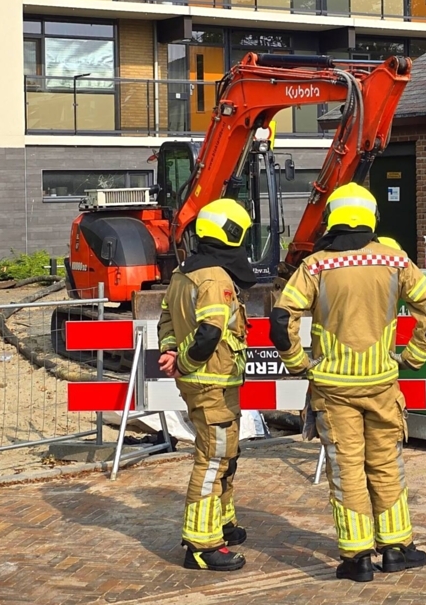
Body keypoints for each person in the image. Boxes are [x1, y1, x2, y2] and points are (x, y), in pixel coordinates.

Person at [270, 183, 426, 582]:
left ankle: (358, 558)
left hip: (333, 388)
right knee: (386, 465)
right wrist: (413, 357)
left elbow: (281, 322)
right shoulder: (396, 260)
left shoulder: (314, 266)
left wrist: (299, 364)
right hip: (382, 383)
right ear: (371, 217)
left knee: (347, 469)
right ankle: (397, 548)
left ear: (333, 217)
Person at [157, 198, 257, 572]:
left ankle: (223, 523)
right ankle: (201, 545)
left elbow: (166, 320)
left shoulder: (184, 274)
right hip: (211, 382)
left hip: (207, 383)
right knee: (213, 460)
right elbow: (210, 333)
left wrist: (171, 353)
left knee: (226, 454)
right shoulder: (215, 277)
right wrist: (183, 361)